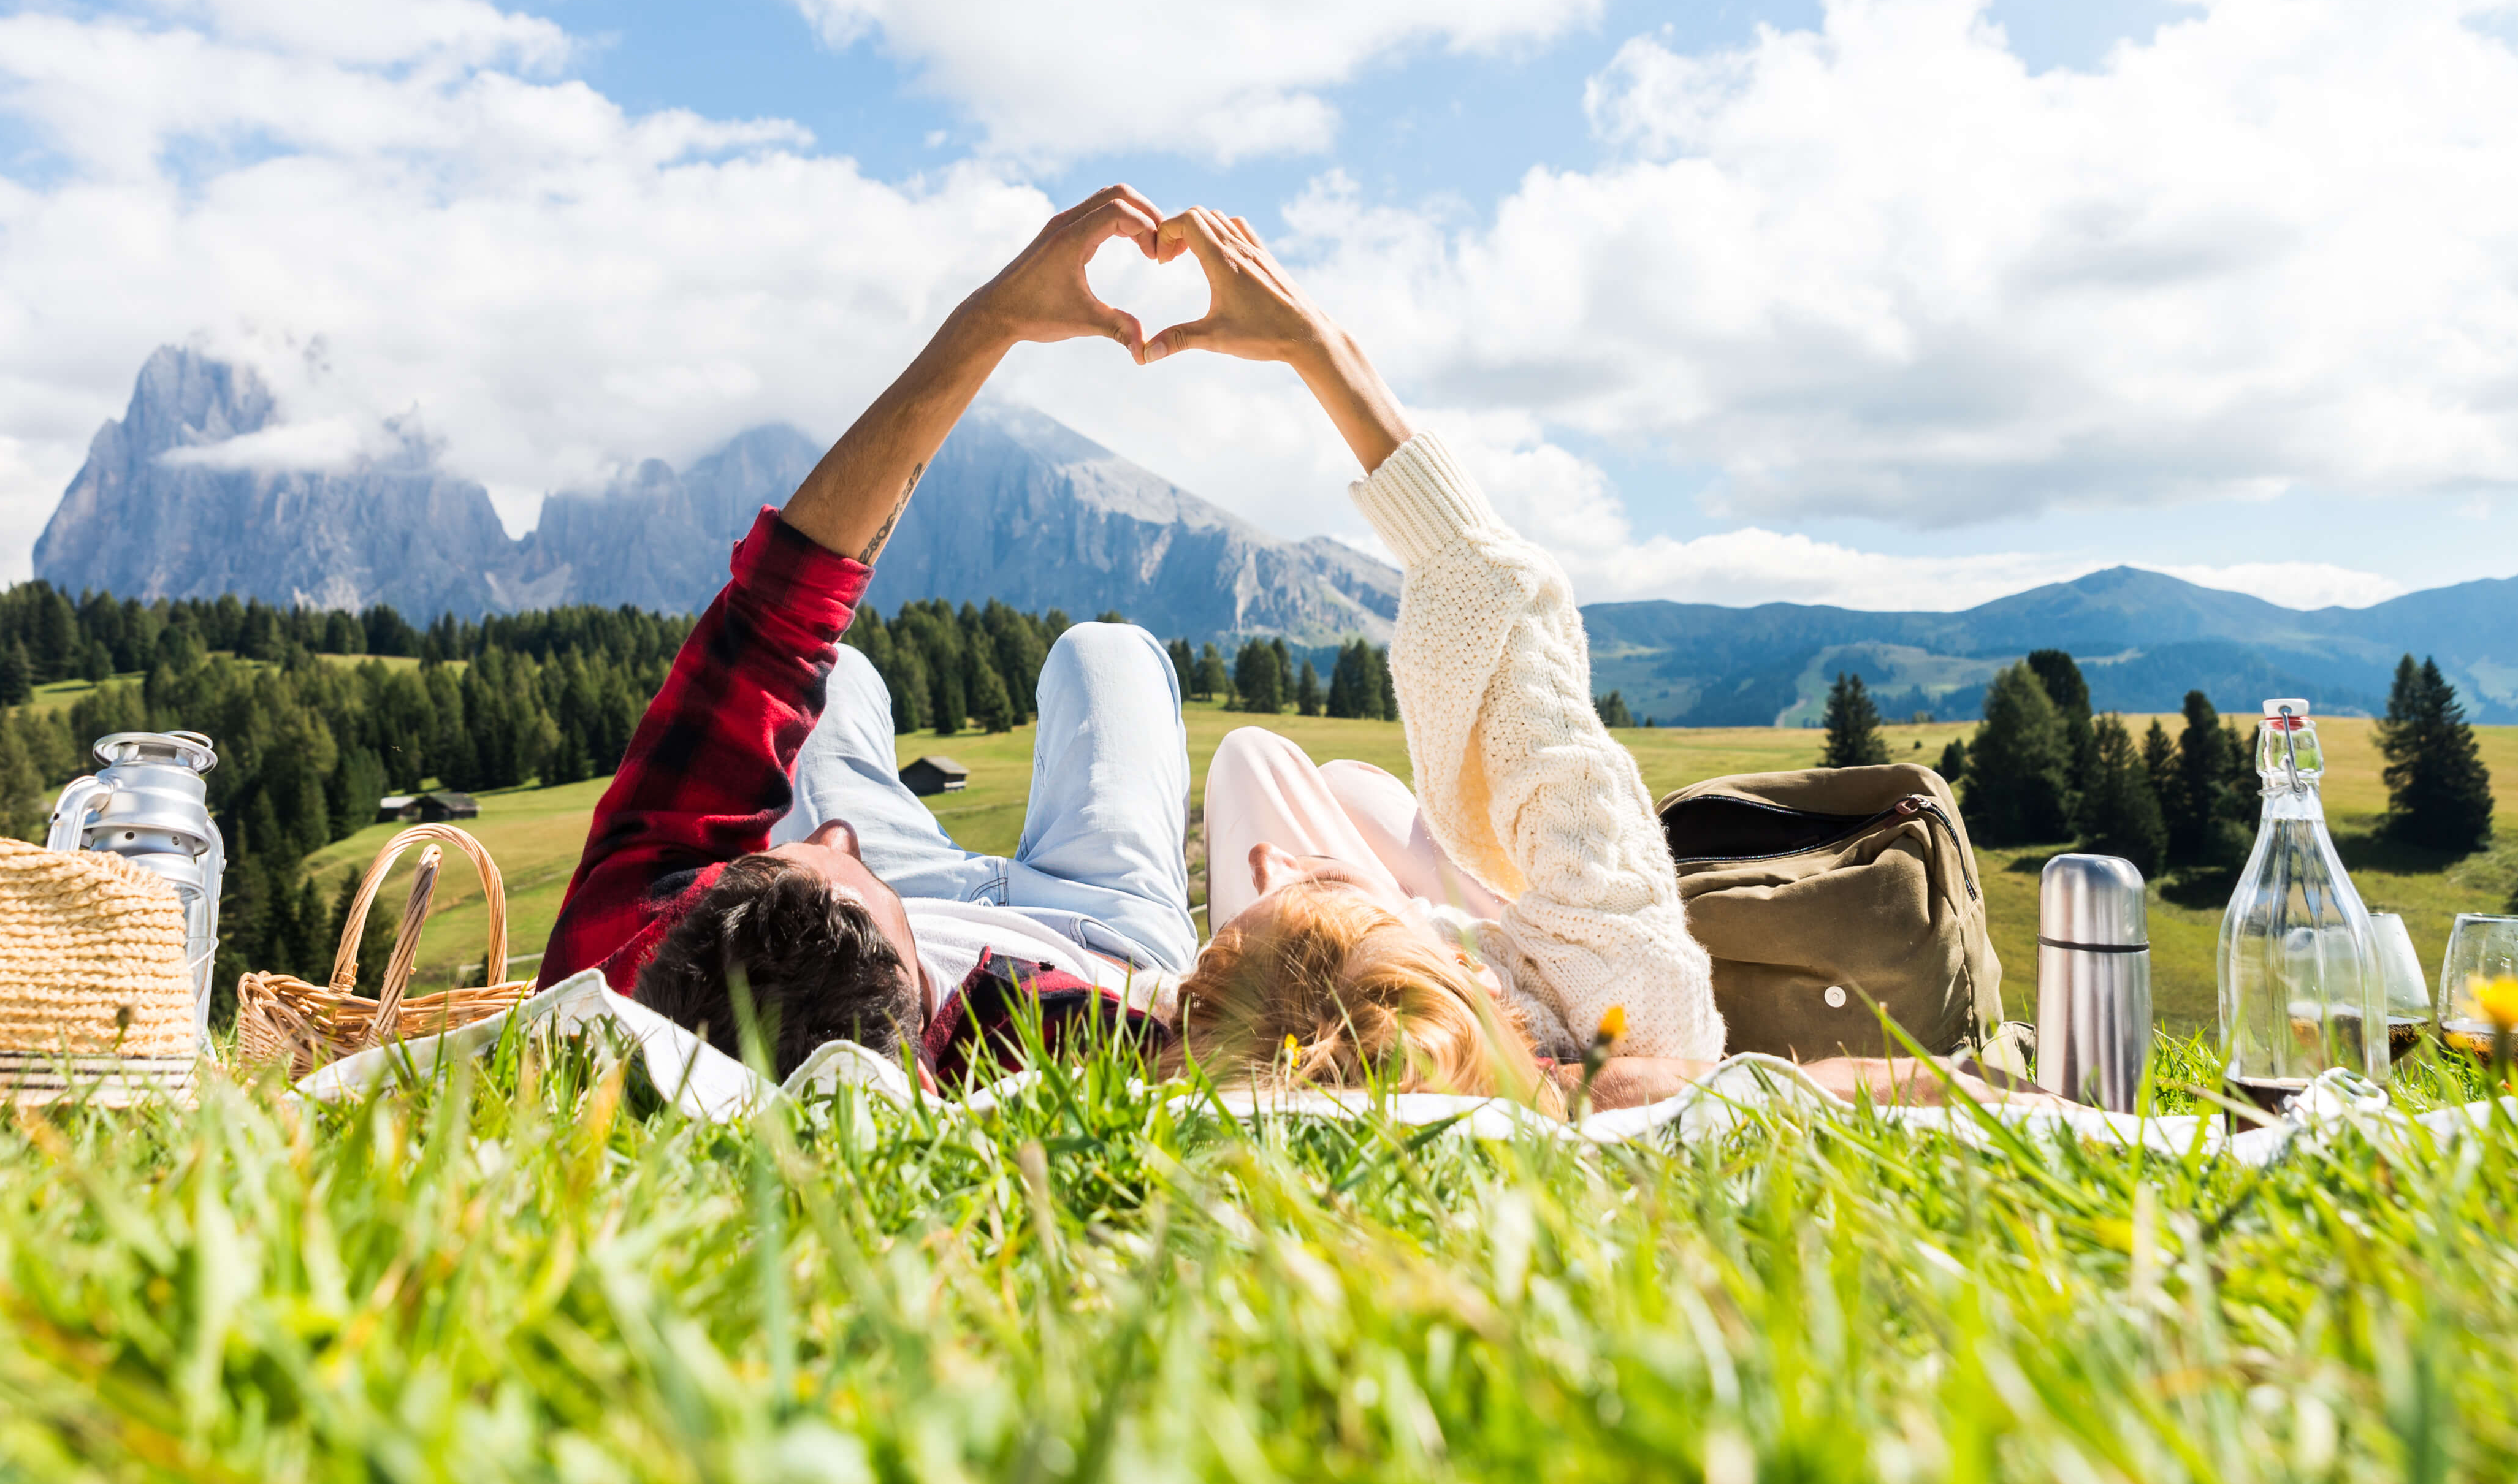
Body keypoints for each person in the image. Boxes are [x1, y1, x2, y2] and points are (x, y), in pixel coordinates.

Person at [1148, 207, 2005, 1114]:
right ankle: (1366, 901)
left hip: (1420, 985)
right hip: (1507, 961)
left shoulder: (1495, 1067)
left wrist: (1317, 906)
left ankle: (1340, 902)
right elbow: (1519, 642)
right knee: (1289, 774)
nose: (1273, 871)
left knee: (1267, 761)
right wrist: (1321, 352)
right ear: (1440, 969)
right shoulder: (1626, 1010)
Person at [534, 186, 1196, 1082]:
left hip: (906, 895)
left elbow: (775, 619)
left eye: (781, 862)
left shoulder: (630, 961)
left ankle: (850, 893)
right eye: (840, 856)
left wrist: (989, 321)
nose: (837, 831)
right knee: (1105, 653)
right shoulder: (1072, 1048)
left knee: (831, 674)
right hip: (1100, 930)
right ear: (919, 1036)